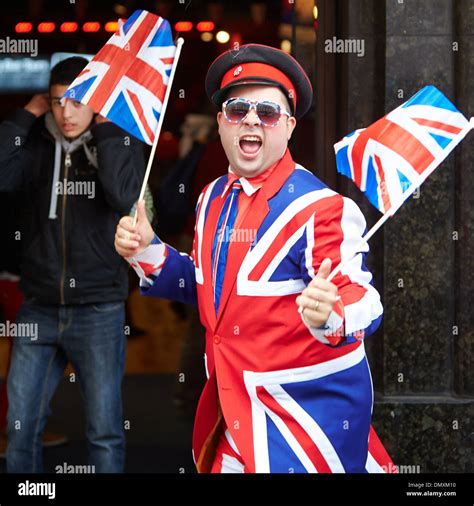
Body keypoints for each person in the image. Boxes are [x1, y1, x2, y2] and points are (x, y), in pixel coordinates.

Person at [115, 44, 395, 473]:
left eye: (266, 111)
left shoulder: (321, 208)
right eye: (237, 109)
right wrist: (148, 250)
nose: (250, 118)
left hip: (303, 426)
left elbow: (363, 298)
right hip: (231, 416)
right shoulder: (211, 198)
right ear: (222, 124)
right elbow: (210, 289)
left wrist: (333, 312)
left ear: (288, 126)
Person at [0, 56, 145, 473]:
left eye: (78, 102)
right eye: (57, 102)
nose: (66, 112)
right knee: (20, 426)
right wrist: (26, 115)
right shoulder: (35, 147)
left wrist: (105, 128)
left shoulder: (118, 140)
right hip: (39, 305)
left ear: (95, 103)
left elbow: (125, 197)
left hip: (99, 307)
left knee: (104, 431)